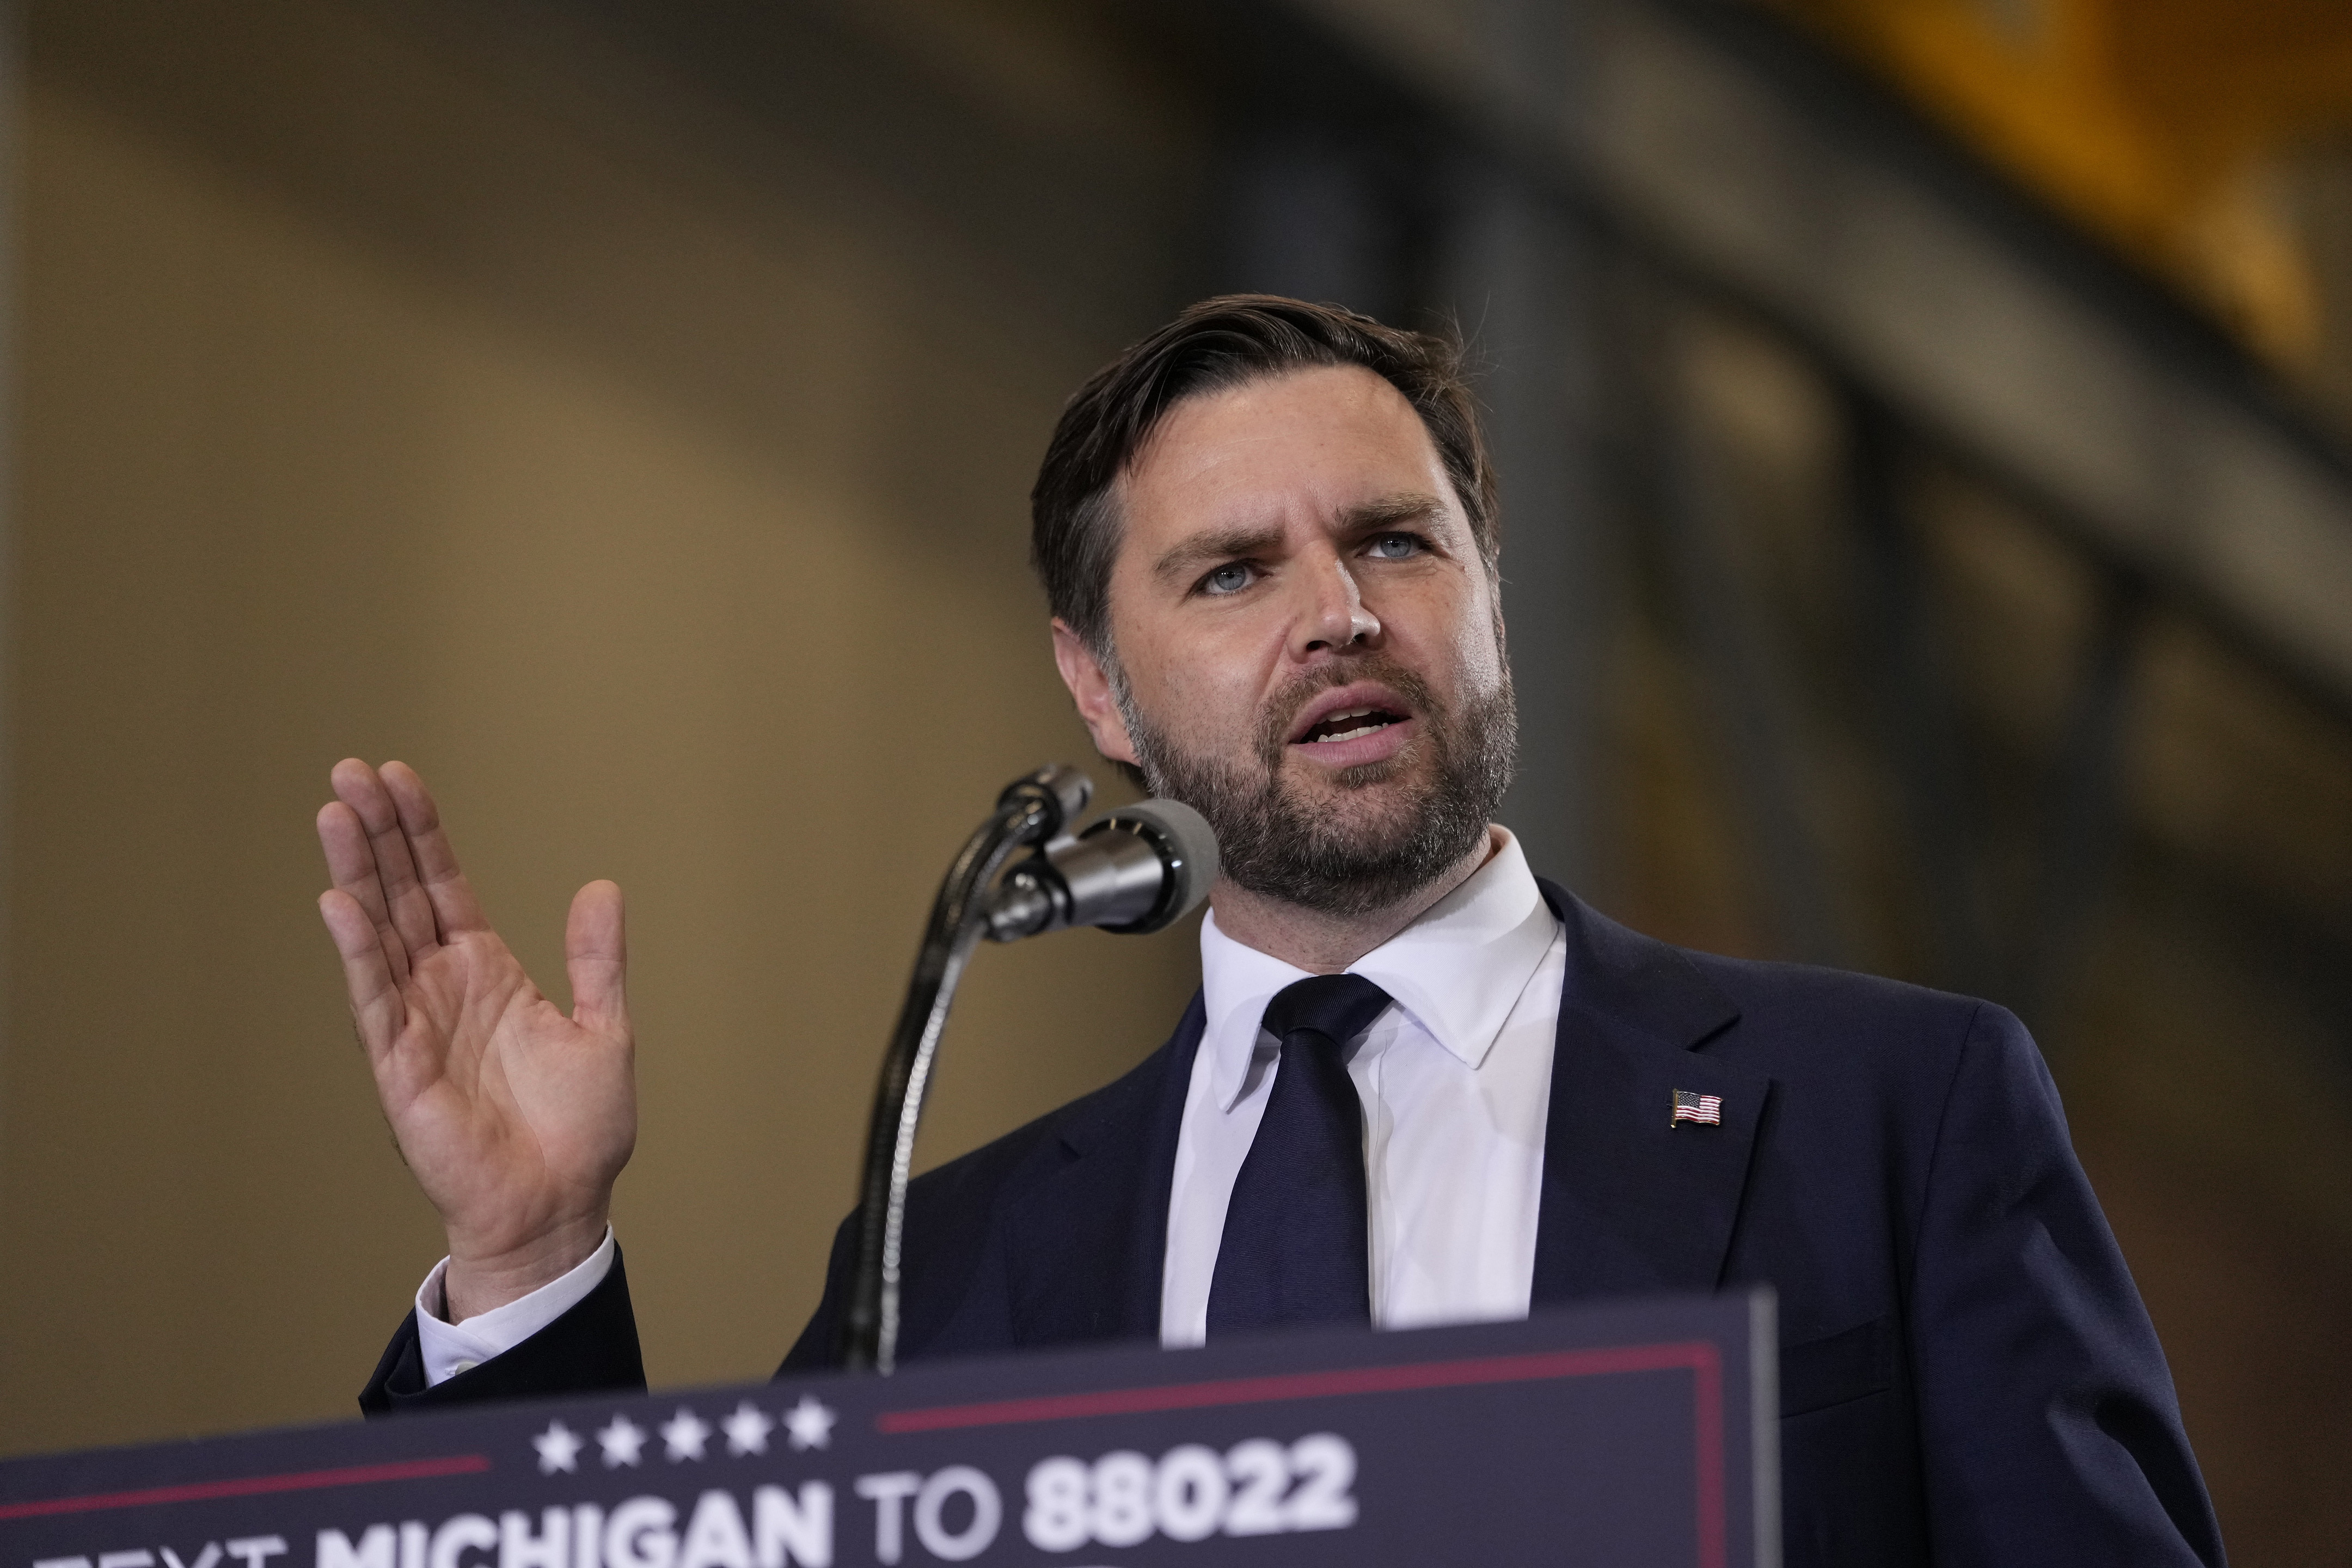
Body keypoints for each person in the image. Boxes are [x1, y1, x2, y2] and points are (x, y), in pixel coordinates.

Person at [317, 297, 2223, 1566]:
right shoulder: (969, 1262)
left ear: (1488, 589)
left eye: (1397, 540)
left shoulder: (1895, 1108)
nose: (1338, 613)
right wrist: (531, 1253)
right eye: (1233, 572)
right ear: (1097, 688)